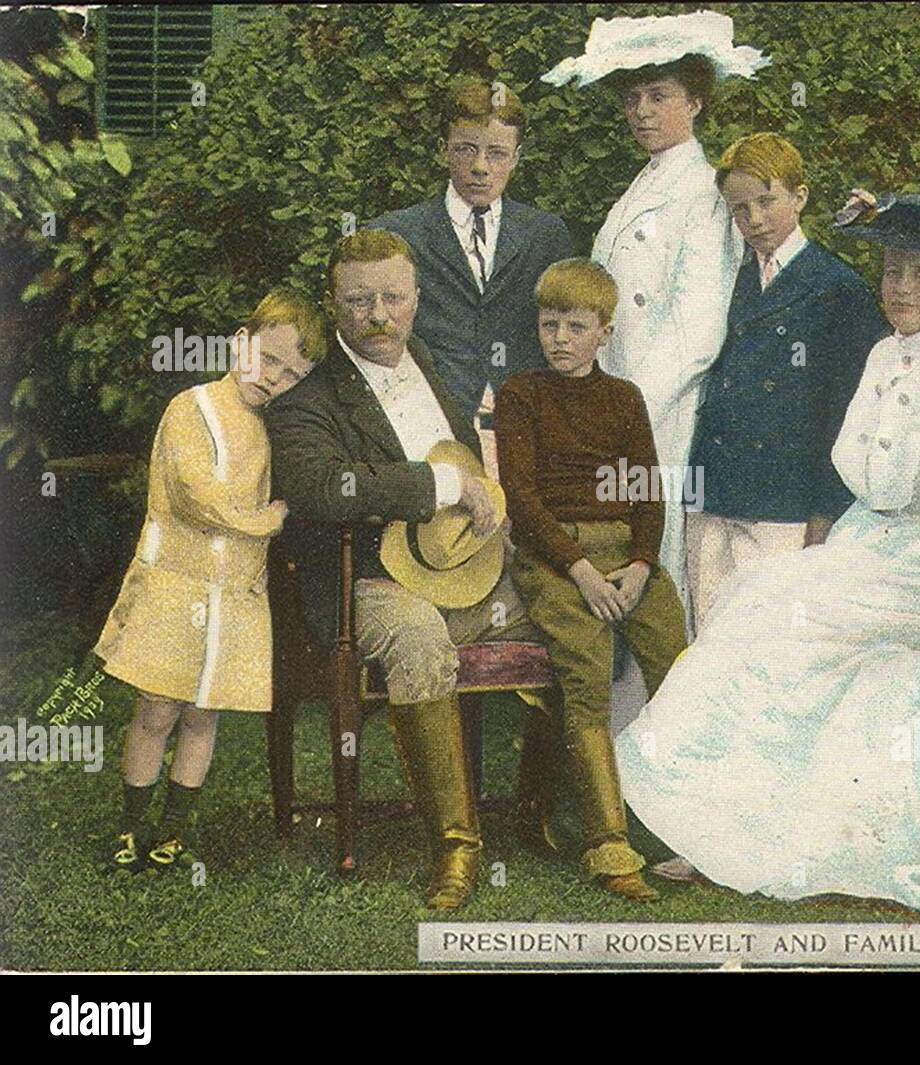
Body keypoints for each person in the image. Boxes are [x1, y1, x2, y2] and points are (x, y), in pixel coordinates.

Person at [615, 190, 920, 924]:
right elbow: (865, 469)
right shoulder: (878, 354)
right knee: (753, 611)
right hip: (869, 545)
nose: (902, 289)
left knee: (776, 621)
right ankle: (737, 832)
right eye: (893, 272)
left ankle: (742, 831)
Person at [265, 231, 533, 911]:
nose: (378, 313)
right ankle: (456, 846)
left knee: (569, 609)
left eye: (392, 296)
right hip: (369, 583)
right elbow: (324, 487)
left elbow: (470, 457)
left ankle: (560, 815)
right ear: (334, 304)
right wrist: (438, 484)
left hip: (467, 573)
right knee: (418, 642)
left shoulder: (430, 365)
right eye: (359, 300)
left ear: (417, 297)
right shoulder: (307, 399)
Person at [543, 11, 767, 623]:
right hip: (615, 403)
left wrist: (628, 407)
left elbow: (698, 330)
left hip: (661, 412)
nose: (642, 111)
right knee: (616, 546)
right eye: (634, 97)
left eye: (660, 96)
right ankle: (619, 714)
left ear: (695, 102)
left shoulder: (702, 194)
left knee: (655, 558)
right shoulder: (642, 185)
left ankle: (660, 710)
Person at [96, 290, 326, 872]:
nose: (275, 379)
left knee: (203, 714)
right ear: (239, 342)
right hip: (175, 584)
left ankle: (174, 828)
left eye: (292, 374)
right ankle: (131, 824)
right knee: (157, 708)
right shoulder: (191, 408)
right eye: (268, 360)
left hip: (235, 593)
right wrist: (267, 520)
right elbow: (199, 499)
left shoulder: (271, 429)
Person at [495, 259, 688, 902]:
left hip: (625, 556)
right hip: (555, 556)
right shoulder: (522, 395)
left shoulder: (623, 398)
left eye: (576, 326)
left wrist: (639, 566)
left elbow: (647, 493)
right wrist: (580, 571)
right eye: (550, 325)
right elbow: (521, 499)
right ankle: (608, 841)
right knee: (587, 670)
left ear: (604, 332)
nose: (561, 339)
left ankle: (699, 825)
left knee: (680, 665)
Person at [688, 132, 889, 621]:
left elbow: (849, 416)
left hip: (786, 504)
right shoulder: (723, 279)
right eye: (739, 209)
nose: (754, 220)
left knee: (770, 642)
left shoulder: (837, 289)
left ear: (800, 196)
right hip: (712, 494)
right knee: (708, 644)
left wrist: (824, 517)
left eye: (766, 201)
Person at [367, 78, 574, 425]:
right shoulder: (398, 234)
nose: (480, 166)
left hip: (527, 424)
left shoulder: (545, 236)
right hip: (428, 422)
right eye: (466, 149)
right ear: (443, 149)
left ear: (516, 157)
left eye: (496, 153)